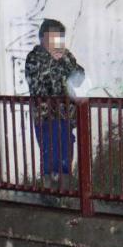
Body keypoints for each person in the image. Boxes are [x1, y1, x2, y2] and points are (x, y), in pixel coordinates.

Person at [24, 18, 85, 182]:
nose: (57, 41)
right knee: (50, 156)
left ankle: (65, 194)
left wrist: (64, 59)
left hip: (66, 116)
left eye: (60, 37)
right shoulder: (34, 57)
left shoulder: (65, 55)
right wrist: (55, 61)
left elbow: (79, 78)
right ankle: (49, 191)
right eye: (54, 36)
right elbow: (38, 87)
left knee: (66, 154)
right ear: (43, 37)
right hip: (45, 117)